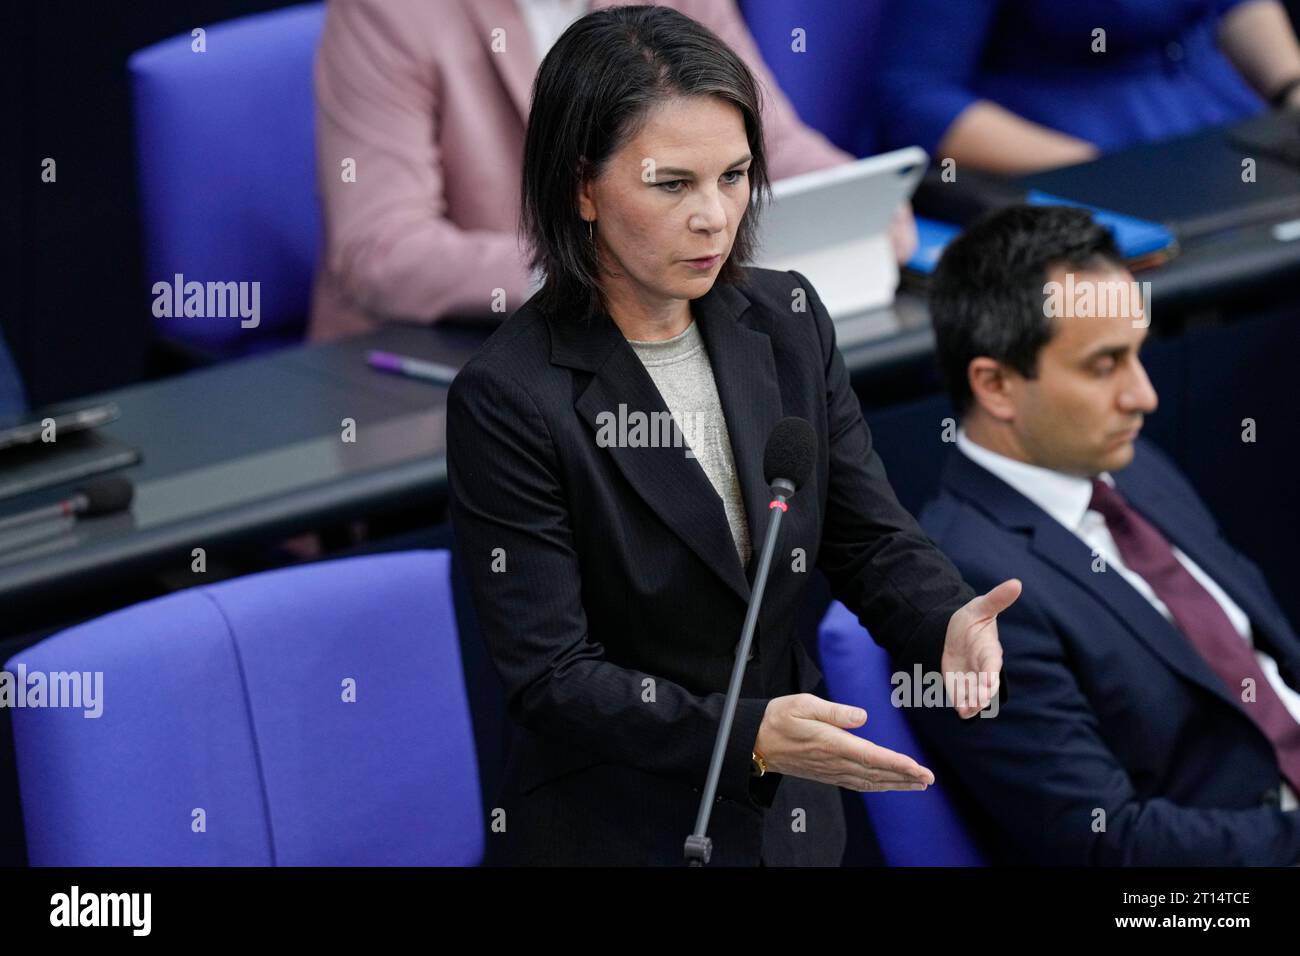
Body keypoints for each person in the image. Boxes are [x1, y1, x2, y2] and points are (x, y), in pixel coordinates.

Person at [446, 5, 1018, 866]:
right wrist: (747, 733)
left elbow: (868, 536)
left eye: (735, 175)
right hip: (619, 828)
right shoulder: (509, 398)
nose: (714, 216)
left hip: (793, 815)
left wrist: (944, 621)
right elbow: (551, 678)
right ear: (582, 186)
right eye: (672, 184)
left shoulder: (786, 317)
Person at [912, 204, 1300, 864]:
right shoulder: (967, 587)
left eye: (1139, 355)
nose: (1143, 396)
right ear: (998, 385)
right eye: (1104, 365)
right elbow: (1104, 844)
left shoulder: (1128, 465)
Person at [309, 0, 915, 343]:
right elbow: (381, 248)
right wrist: (599, 266)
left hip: (661, 329)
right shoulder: (389, 11)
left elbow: (769, 139)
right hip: (455, 353)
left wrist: (864, 196)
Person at [877, 0, 1300, 174]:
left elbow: (1236, 5)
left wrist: (1292, 90)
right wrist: (1094, 176)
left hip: (1224, 133)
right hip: (1075, 154)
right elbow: (915, 99)